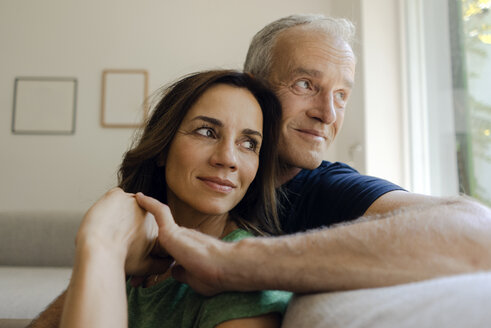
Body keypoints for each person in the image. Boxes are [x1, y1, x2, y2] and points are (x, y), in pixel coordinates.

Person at [28, 13, 491, 327]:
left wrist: (227, 263)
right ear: (257, 88)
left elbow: (476, 232)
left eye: (342, 95)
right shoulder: (152, 215)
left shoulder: (327, 188)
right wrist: (104, 250)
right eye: (307, 84)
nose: (328, 114)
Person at [56, 70, 292, 328]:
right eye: (206, 132)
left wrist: (100, 243)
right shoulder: (135, 240)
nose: (228, 158)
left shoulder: (245, 276)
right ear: (162, 149)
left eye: (249, 144)